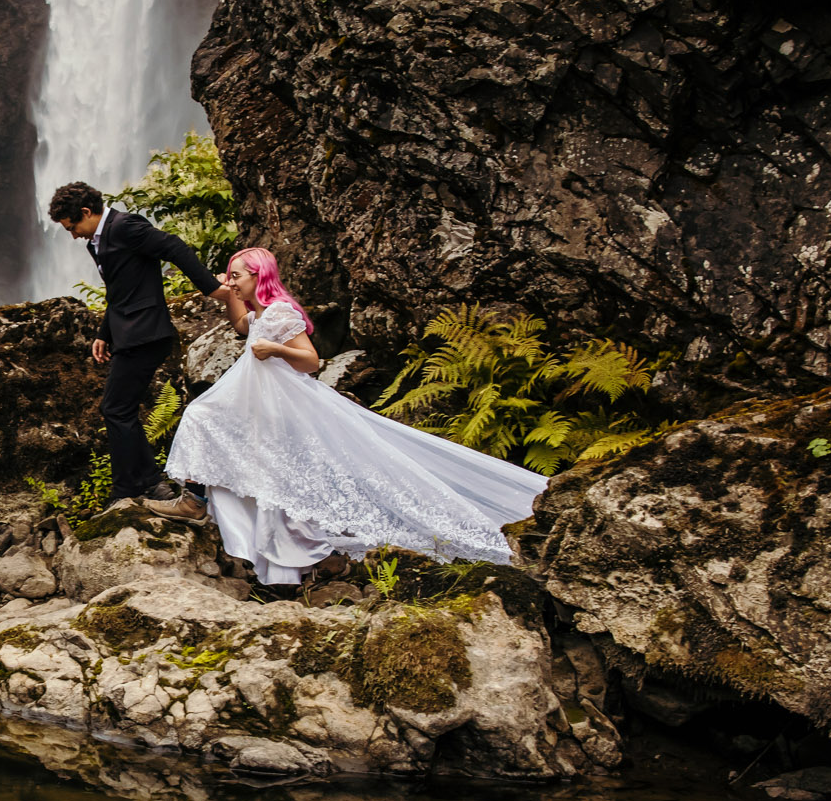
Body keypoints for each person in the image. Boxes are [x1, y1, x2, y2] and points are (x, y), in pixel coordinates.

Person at [165, 247, 549, 583]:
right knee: (263, 471)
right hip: (262, 410)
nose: (232, 280)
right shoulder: (260, 317)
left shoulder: (280, 313)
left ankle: (205, 505)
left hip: (286, 409)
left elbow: (311, 362)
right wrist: (226, 293)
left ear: (258, 276)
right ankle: (278, 557)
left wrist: (277, 350)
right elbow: (239, 324)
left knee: (209, 421)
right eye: (230, 275)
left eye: (237, 275)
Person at [49, 180, 237, 521]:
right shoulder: (99, 239)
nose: (73, 234)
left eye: (72, 225)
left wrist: (213, 290)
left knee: (115, 408)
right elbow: (117, 289)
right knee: (118, 409)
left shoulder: (126, 227)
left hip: (146, 333)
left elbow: (175, 246)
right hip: (129, 333)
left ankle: (134, 487)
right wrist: (104, 332)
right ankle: (145, 483)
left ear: (87, 212)